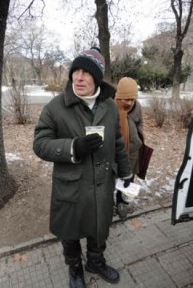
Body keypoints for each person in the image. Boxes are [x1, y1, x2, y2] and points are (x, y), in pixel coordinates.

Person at [33, 48, 132, 288]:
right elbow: (40, 144)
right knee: (71, 231)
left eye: (86, 73)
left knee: (99, 227)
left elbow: (118, 143)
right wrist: (73, 147)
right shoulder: (56, 107)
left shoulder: (109, 107)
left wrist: (127, 177)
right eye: (75, 71)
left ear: (97, 78)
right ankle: (75, 268)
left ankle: (95, 262)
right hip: (71, 185)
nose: (78, 77)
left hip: (102, 182)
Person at [114, 77, 144, 220]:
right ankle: (107, 205)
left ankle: (121, 203)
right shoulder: (111, 107)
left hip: (132, 153)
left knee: (127, 179)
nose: (131, 103)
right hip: (114, 153)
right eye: (127, 99)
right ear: (119, 97)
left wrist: (138, 136)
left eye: (133, 99)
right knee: (110, 181)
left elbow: (140, 125)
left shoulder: (137, 107)